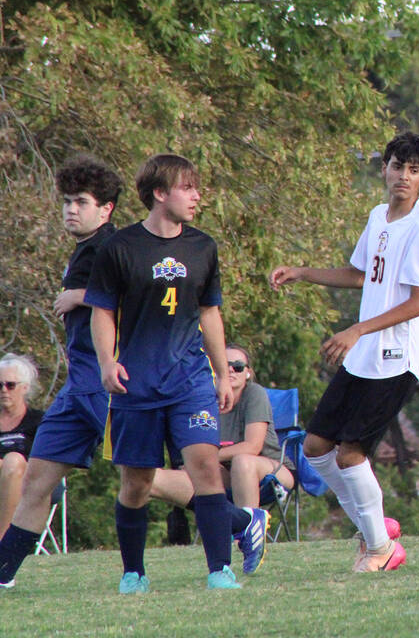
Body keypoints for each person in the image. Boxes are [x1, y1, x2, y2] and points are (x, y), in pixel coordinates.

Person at [86, 153, 263, 592]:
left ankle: (219, 570)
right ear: (160, 194)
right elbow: (101, 313)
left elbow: (210, 313)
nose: (197, 195)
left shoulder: (203, 246)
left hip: (190, 381)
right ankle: (133, 574)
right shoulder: (119, 248)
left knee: (203, 466)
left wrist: (222, 373)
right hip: (137, 385)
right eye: (188, 187)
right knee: (137, 483)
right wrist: (108, 363)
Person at [269, 131, 419, 573]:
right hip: (365, 354)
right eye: (397, 166)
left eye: (414, 169)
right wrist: (302, 272)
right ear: (384, 169)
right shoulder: (378, 216)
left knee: (350, 454)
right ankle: (373, 529)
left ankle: (380, 548)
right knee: (316, 446)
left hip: (397, 358)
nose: (403, 175)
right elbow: (359, 274)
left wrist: (357, 329)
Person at [0, 156, 128, 589]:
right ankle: (2, 574)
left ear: (106, 208)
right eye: (67, 201)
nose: (71, 209)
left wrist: (81, 295)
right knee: (36, 478)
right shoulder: (86, 248)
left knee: (142, 478)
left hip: (103, 379)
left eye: (82, 202)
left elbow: (135, 300)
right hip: (78, 385)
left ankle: (237, 519)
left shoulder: (113, 248)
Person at [150, 343, 294, 509]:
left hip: (272, 472)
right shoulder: (203, 399)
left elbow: (252, 447)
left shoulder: (254, 393)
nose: (231, 370)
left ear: (248, 373)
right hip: (222, 473)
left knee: (242, 462)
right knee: (149, 479)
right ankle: (225, 522)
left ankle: (247, 529)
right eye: (225, 365)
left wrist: (204, 458)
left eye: (238, 367)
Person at [0, 355, 43, 539]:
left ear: (25, 387)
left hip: (30, 483)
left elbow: (42, 461)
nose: (4, 390)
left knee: (13, 461)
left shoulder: (40, 421)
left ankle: (3, 545)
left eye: (10, 385)